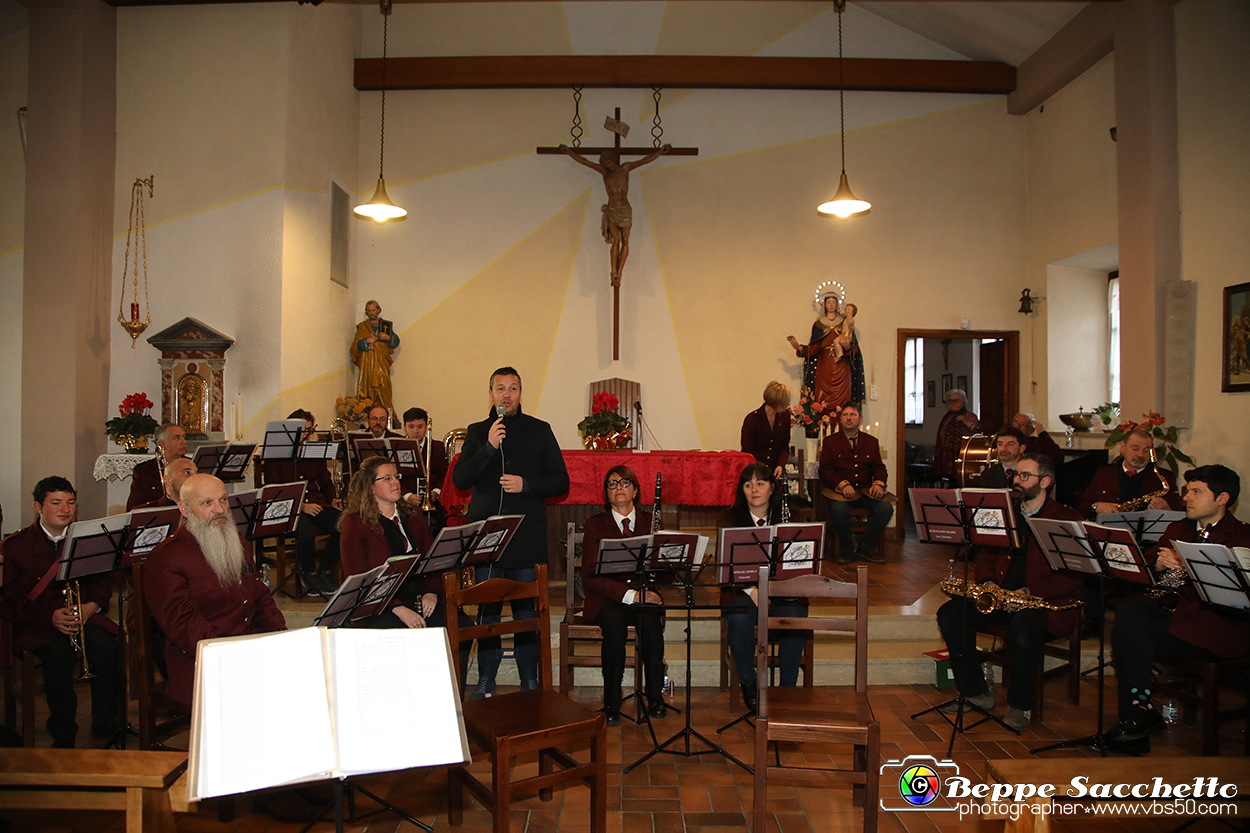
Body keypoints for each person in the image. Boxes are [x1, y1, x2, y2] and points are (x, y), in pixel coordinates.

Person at [143, 473, 300, 820]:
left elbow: (258, 597)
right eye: (208, 503)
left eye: (224, 500)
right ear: (184, 509)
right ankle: (265, 789)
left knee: (304, 674)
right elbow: (184, 627)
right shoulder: (166, 559)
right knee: (258, 691)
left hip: (243, 650)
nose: (220, 510)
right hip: (197, 663)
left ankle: (297, 776)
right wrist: (237, 656)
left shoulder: (237, 542)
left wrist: (280, 635)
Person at [935, 454, 1082, 731]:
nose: (1016, 481)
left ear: (1046, 482)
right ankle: (977, 691)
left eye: (1025, 476)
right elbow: (985, 556)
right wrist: (989, 583)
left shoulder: (1066, 519)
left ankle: (1020, 705)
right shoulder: (1004, 514)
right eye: (1015, 475)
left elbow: (1072, 574)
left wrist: (1029, 592)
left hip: (1043, 604)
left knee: (1023, 631)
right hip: (1000, 598)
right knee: (950, 614)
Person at [1107, 465, 1249, 750]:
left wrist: (1190, 568)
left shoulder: (1241, 537)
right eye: (1187, 490)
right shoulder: (1178, 528)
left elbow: (1236, 593)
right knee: (1129, 612)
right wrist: (1157, 565)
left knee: (1127, 637)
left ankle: (1137, 715)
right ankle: (1140, 712)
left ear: (1222, 498)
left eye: (1196, 492)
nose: (1186, 497)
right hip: (1178, 611)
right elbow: (1144, 564)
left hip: (1216, 624)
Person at [452, 366, 570, 698]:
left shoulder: (539, 430)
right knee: (488, 609)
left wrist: (527, 484)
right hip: (488, 536)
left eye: (513, 388)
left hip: (525, 535)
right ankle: (486, 679)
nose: (507, 394)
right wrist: (488, 448)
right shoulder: (477, 432)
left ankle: (529, 680)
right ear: (490, 393)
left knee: (525, 611)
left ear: (521, 393)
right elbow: (460, 481)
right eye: (500, 388)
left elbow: (561, 482)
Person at [0, 477, 120, 747]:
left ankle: (105, 722)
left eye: (70, 502)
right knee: (58, 652)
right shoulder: (16, 546)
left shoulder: (87, 538)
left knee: (106, 646)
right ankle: (63, 730)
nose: (65, 509)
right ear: (38, 507)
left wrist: (91, 607)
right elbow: (9, 601)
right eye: (56, 503)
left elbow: (101, 583)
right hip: (38, 623)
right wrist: (50, 617)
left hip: (82, 616)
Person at [579, 465, 667, 726]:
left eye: (624, 483)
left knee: (651, 625)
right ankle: (612, 702)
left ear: (635, 490)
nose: (618, 488)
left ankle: (655, 697)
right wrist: (630, 595)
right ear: (607, 495)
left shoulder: (652, 522)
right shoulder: (595, 525)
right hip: (607, 597)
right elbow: (591, 576)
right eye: (612, 484)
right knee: (615, 627)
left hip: (644, 594)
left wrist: (667, 564)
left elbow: (664, 572)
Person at [719, 463, 808, 714]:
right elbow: (726, 567)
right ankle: (749, 683)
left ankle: (787, 689)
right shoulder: (728, 518)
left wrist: (776, 589)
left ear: (772, 488)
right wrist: (752, 590)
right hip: (742, 589)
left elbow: (801, 564)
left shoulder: (793, 517)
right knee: (739, 618)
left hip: (784, 588)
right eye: (748, 485)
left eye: (761, 483)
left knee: (795, 617)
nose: (754, 489)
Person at [558, 143, 671, 285]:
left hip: (624, 210)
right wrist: (569, 151)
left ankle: (620, 271)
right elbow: (585, 162)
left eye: (608, 161)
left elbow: (644, 160)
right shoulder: (605, 173)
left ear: (614, 159)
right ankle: (614, 272)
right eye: (604, 163)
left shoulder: (625, 168)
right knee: (615, 240)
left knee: (625, 240)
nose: (606, 165)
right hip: (612, 210)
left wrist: (660, 152)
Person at [262, 410, 341, 595]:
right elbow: (274, 488)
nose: (305, 433)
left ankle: (325, 570)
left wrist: (333, 499)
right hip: (289, 507)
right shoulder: (275, 454)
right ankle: (308, 572)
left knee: (343, 522)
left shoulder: (314, 451)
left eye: (308, 429)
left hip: (316, 504)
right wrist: (301, 506)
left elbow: (325, 480)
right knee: (303, 530)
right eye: (301, 429)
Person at [818, 402, 892, 564]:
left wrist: (879, 484)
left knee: (886, 508)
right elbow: (825, 470)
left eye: (853, 415)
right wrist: (842, 484)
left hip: (865, 491)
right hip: (841, 492)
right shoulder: (831, 442)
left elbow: (879, 468)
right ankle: (846, 549)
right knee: (838, 509)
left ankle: (866, 546)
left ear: (860, 419)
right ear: (840, 419)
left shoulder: (870, 442)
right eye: (845, 415)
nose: (849, 418)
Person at [786, 290, 865, 425]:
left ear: (837, 304)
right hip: (824, 367)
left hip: (842, 367)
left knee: (844, 402)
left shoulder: (844, 322)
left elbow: (854, 349)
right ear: (824, 305)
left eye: (834, 302)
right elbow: (814, 348)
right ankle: (823, 428)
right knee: (822, 400)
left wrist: (847, 347)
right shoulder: (818, 325)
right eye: (828, 302)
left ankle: (843, 428)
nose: (831, 305)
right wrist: (799, 347)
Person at [1076, 426, 1184, 518]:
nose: (1141, 455)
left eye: (1146, 450)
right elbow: (1081, 506)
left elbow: (1181, 513)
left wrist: (1167, 509)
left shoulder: (1164, 477)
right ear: (1123, 448)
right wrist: (1096, 506)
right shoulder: (1105, 473)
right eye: (1135, 449)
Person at [351, 299, 400, 417]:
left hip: (382, 362)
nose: (372, 313)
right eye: (369, 311)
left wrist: (388, 338)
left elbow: (396, 341)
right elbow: (355, 346)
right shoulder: (362, 327)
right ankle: (365, 413)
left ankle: (387, 414)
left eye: (373, 310)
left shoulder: (386, 325)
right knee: (367, 388)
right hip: (367, 364)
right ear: (366, 312)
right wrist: (367, 341)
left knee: (383, 386)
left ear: (378, 310)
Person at [127, 423, 188, 510]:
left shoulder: (193, 465)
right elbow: (133, 508)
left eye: (184, 437)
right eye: (177, 438)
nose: (183, 441)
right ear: (161, 444)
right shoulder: (144, 471)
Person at [400, 406, 449, 514]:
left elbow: (445, 474)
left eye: (420, 426)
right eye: (411, 427)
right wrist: (407, 496)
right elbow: (394, 476)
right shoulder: (397, 447)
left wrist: (436, 491)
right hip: (404, 499)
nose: (416, 431)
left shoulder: (437, 447)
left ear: (426, 426)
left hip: (433, 499)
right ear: (404, 427)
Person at [740, 381, 792, 479]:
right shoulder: (752, 419)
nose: (788, 404)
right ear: (777, 402)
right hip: (755, 472)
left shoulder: (785, 417)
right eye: (785, 401)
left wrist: (780, 465)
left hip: (775, 473)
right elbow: (747, 451)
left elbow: (784, 446)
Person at [934, 389, 979, 481]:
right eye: (951, 401)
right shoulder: (947, 417)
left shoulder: (970, 416)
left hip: (963, 456)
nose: (953, 403)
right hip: (947, 457)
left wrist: (966, 422)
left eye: (956, 400)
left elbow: (977, 435)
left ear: (963, 401)